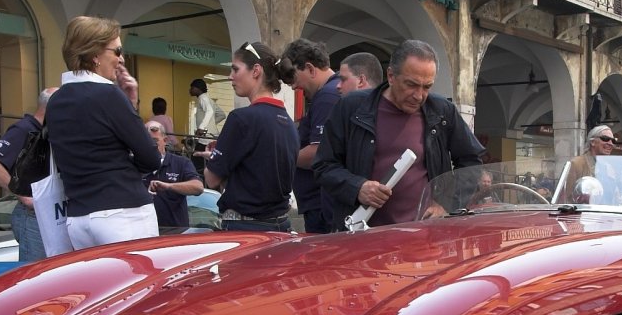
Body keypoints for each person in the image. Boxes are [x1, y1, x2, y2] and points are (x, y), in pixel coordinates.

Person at [313, 38, 486, 230]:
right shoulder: (352, 107)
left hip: (423, 236)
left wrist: (446, 204)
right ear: (391, 76)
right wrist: (357, 188)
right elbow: (324, 165)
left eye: (427, 86)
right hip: (363, 237)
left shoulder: (442, 111)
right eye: (411, 84)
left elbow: (471, 162)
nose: (419, 95)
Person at [46, 16, 162, 249]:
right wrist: (130, 104)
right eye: (117, 50)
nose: (121, 59)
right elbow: (150, 158)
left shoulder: (55, 100)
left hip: (79, 218)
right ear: (95, 55)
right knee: (140, 284)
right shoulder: (108, 95)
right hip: (122, 213)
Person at [203, 41, 299, 231]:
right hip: (280, 226)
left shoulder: (241, 118)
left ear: (256, 70)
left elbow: (211, 179)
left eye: (235, 69)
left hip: (245, 227)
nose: (230, 77)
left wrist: (214, 160)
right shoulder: (288, 122)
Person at [0, 86, 59, 261]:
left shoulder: (46, 132)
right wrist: (23, 194)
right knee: (35, 275)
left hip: (47, 213)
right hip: (32, 216)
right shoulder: (24, 129)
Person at [282, 38, 342, 233]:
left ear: (310, 68)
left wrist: (282, 157)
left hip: (320, 204)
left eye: (294, 77)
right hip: (320, 200)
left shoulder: (327, 97)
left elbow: (318, 152)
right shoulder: (331, 93)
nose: (293, 86)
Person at [143, 121, 204, 229]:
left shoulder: (181, 163)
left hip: (174, 234)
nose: (150, 145)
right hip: (143, 233)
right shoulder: (135, 165)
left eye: (154, 141)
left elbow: (198, 187)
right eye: (146, 141)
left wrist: (169, 186)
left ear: (165, 140)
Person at [567, 125, 621, 204]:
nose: (610, 143)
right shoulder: (576, 164)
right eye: (605, 139)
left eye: (613, 140)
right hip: (585, 214)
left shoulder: (610, 168)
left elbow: (616, 197)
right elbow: (566, 198)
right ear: (592, 142)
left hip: (607, 214)